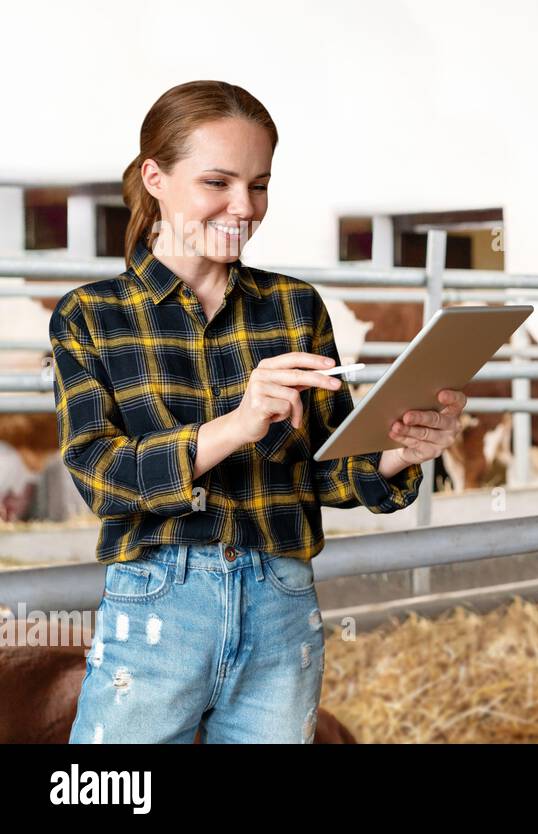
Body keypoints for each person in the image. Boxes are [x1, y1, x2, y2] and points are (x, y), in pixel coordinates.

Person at [55, 80, 465, 743]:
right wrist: (239, 424)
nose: (244, 207)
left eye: (261, 185)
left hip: (283, 599)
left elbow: (323, 472)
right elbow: (102, 478)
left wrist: (398, 449)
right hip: (159, 599)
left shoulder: (295, 307)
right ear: (155, 178)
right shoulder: (92, 315)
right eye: (217, 182)